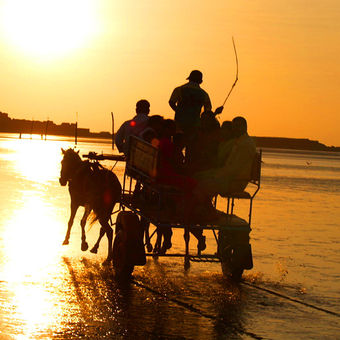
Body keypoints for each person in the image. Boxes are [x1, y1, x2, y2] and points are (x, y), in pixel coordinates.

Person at [168, 70, 223, 164]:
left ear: (189, 78)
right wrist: (216, 113)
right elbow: (207, 112)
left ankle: (175, 167)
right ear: (200, 81)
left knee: (176, 149)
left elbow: (171, 102)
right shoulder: (204, 94)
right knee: (191, 151)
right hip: (195, 126)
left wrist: (179, 111)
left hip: (179, 125)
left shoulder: (179, 89)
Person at [194, 116, 256, 198]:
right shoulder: (240, 141)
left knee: (199, 184)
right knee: (198, 177)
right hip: (230, 179)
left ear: (244, 127)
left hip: (235, 182)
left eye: (238, 126)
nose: (235, 129)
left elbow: (234, 169)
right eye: (234, 127)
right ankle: (204, 207)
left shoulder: (245, 144)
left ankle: (203, 208)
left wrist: (214, 175)